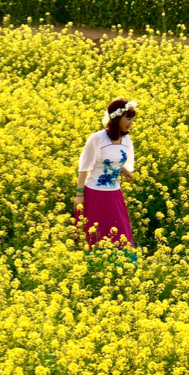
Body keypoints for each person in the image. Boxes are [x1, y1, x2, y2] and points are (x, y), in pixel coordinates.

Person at [73, 98, 137, 266]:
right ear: (117, 119)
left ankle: (121, 267)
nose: (131, 122)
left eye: (132, 118)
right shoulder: (97, 139)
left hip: (115, 193)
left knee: (120, 231)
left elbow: (116, 161)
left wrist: (125, 172)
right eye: (128, 118)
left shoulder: (126, 140)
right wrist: (80, 195)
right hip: (95, 193)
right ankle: (95, 267)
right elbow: (84, 168)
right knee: (96, 233)